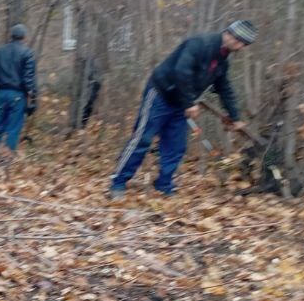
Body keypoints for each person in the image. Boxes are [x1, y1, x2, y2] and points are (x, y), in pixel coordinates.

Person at [109, 19, 257, 200]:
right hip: (160, 94)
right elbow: (181, 71)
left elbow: (224, 88)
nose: (237, 44)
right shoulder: (200, 44)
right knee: (142, 139)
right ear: (227, 33)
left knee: (176, 146)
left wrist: (235, 117)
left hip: (181, 104)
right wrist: (189, 103)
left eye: (242, 43)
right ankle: (118, 183)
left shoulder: (222, 61)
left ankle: (164, 185)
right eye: (236, 38)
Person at [0, 24, 37, 157]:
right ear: (24, 37)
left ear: (11, 36)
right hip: (18, 96)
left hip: (0, 94)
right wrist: (33, 100)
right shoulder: (27, 53)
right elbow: (28, 80)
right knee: (13, 129)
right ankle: (6, 163)